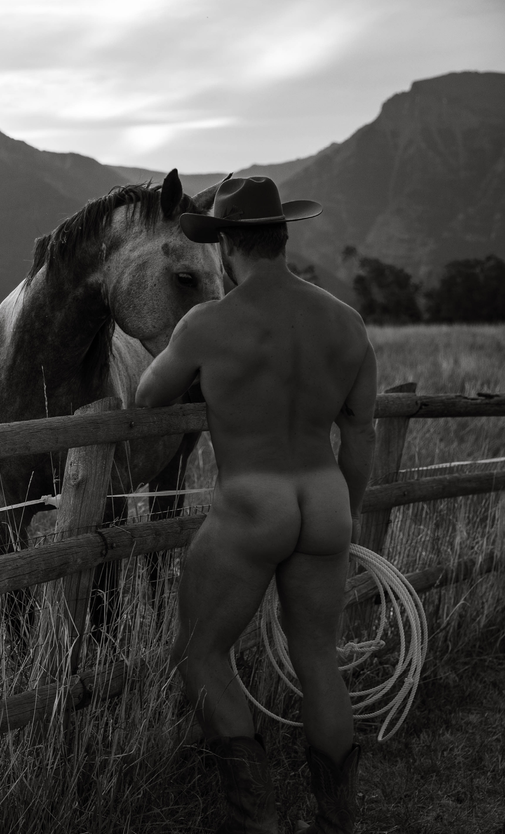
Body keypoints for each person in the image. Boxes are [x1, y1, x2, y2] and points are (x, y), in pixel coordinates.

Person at [135, 176, 377, 833]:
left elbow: (149, 396)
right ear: (282, 236)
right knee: (318, 659)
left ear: (224, 247)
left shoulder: (209, 322)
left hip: (251, 502)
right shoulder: (345, 323)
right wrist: (346, 516)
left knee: (199, 652)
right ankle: (335, 822)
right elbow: (358, 435)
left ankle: (254, 821)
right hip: (323, 500)